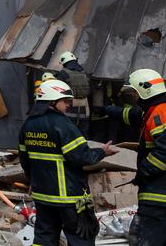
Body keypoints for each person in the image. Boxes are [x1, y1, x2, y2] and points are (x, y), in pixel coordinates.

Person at [20, 79, 118, 246]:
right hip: (69, 198)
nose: (68, 106)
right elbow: (80, 156)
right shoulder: (62, 124)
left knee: (44, 238)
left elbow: (25, 160)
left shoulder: (28, 125)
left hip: (43, 196)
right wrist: (103, 152)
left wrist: (33, 181)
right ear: (52, 101)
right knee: (81, 236)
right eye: (65, 101)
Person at [102, 69, 166, 246]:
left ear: (145, 91)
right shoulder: (159, 111)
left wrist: (143, 172)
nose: (134, 97)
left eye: (134, 93)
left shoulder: (162, 114)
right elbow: (134, 116)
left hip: (160, 195)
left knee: (144, 240)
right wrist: (108, 110)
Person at [55, 52, 93, 133]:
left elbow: (58, 92)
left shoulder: (63, 74)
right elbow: (91, 90)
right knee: (83, 136)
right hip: (84, 110)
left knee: (67, 135)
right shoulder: (85, 73)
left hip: (68, 109)